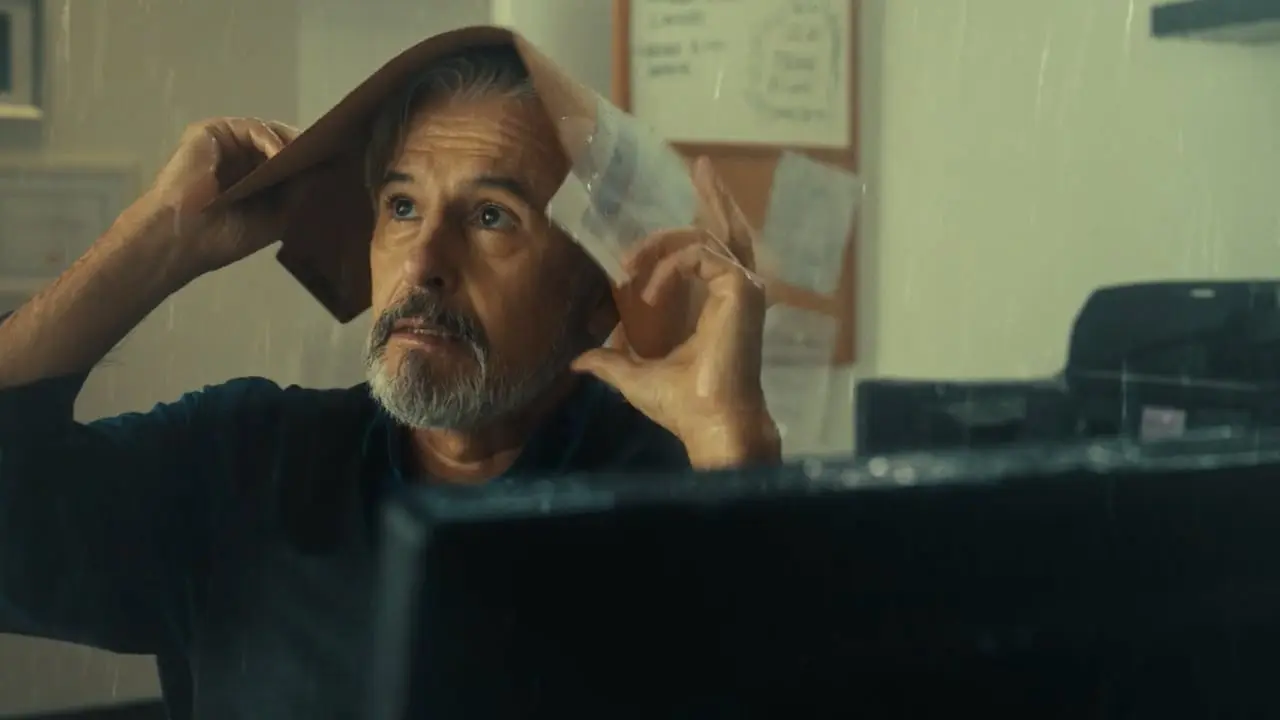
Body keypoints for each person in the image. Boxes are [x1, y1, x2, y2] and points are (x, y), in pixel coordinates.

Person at [0, 37, 778, 720]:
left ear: (595, 296)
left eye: (490, 217)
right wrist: (157, 240)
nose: (423, 265)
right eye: (402, 206)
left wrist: (729, 442)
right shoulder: (250, 467)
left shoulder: (674, 498)